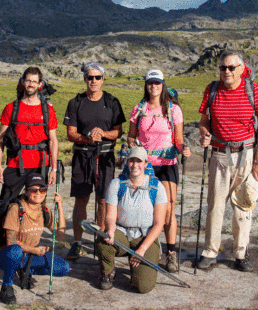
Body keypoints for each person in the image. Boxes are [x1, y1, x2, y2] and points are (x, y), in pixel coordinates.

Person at [0, 67, 59, 267]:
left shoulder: (47, 110)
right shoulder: (11, 108)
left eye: (34, 81)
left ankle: (27, 251)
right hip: (15, 165)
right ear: (22, 82)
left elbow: (53, 141)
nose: (31, 84)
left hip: (40, 167)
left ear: (40, 84)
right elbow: (0, 139)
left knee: (35, 210)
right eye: (28, 80)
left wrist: (55, 169)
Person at [198, 50, 258, 272]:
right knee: (215, 206)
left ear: (241, 69)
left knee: (243, 206)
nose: (226, 72)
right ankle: (210, 251)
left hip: (246, 155)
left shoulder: (253, 89)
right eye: (222, 68)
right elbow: (203, 121)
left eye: (231, 67)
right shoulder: (212, 89)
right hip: (219, 154)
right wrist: (204, 133)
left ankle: (241, 253)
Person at [127, 69, 191, 273]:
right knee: (142, 206)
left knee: (169, 209)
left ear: (162, 85)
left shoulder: (173, 110)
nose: (153, 87)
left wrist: (183, 149)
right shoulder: (138, 109)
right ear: (146, 85)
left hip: (167, 164)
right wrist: (134, 146)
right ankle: (143, 247)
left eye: (157, 83)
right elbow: (130, 136)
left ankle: (171, 254)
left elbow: (178, 139)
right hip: (144, 165)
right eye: (150, 83)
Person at [63, 61, 126, 260]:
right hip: (82, 156)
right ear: (84, 79)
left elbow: (119, 131)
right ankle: (77, 242)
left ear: (103, 79)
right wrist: (88, 138)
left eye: (97, 77)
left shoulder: (112, 101)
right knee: (81, 199)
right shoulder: (76, 102)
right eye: (90, 77)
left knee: (103, 199)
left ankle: (100, 240)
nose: (93, 81)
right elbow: (71, 133)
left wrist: (103, 134)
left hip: (105, 155)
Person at [96, 147, 168, 293]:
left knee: (143, 287)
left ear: (146, 163)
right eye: (131, 161)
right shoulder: (117, 184)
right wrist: (110, 229)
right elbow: (110, 216)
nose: (135, 165)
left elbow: (159, 224)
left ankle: (137, 265)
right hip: (122, 232)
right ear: (127, 162)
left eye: (139, 161)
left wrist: (141, 249)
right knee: (103, 238)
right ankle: (108, 273)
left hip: (144, 237)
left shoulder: (157, 187)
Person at [0, 173, 69, 304]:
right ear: (26, 192)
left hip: (28, 256)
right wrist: (35, 250)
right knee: (15, 251)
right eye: (33, 190)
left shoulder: (44, 210)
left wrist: (60, 207)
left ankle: (25, 270)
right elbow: (11, 242)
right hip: (7, 255)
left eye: (42, 190)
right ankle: (7, 286)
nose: (38, 193)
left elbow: (60, 235)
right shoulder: (16, 209)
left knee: (63, 267)